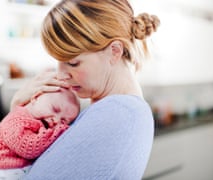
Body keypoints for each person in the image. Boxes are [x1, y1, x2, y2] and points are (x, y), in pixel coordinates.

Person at [11, 0, 160, 179]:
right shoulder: (112, 109)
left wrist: (17, 112)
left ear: (114, 51)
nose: (61, 75)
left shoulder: (119, 113)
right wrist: (19, 110)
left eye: (73, 63)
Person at [0, 88, 80, 180]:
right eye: (55, 109)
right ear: (35, 97)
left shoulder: (41, 122)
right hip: (5, 173)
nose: (56, 121)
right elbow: (28, 148)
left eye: (63, 121)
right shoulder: (16, 120)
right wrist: (60, 130)